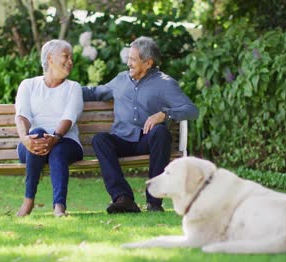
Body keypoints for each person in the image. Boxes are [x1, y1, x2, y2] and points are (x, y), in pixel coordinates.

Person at [82, 36, 198, 214]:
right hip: (122, 140)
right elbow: (94, 92)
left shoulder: (165, 83)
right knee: (100, 140)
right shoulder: (120, 80)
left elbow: (191, 110)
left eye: (133, 59)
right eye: (128, 58)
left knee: (161, 132)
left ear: (148, 62)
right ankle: (123, 198)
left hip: (148, 140)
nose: (128, 63)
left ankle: (154, 201)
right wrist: (63, 88)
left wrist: (164, 114)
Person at [15, 39, 83, 217]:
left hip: (65, 142)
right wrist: (25, 138)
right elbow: (22, 116)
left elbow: (69, 117)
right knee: (36, 134)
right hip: (32, 146)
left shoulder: (73, 88)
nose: (70, 62)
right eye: (66, 57)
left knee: (58, 151)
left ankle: (59, 207)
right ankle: (28, 201)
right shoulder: (28, 85)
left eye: (71, 58)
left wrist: (56, 137)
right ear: (50, 58)